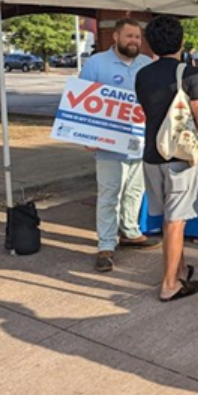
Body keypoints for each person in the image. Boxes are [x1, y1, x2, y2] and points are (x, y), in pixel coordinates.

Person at [135, 15, 198, 301]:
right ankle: (170, 284)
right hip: (180, 156)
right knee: (176, 221)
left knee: (168, 218)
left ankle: (180, 270)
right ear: (181, 41)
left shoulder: (142, 75)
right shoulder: (192, 74)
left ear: (151, 43)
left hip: (151, 154)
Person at [79, 18, 158, 272]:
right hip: (108, 144)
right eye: (129, 36)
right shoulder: (96, 63)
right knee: (109, 195)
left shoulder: (147, 64)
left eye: (137, 37)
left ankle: (131, 231)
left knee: (135, 191)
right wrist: (87, 136)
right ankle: (106, 245)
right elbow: (81, 99)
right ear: (116, 37)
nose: (134, 41)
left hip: (140, 142)